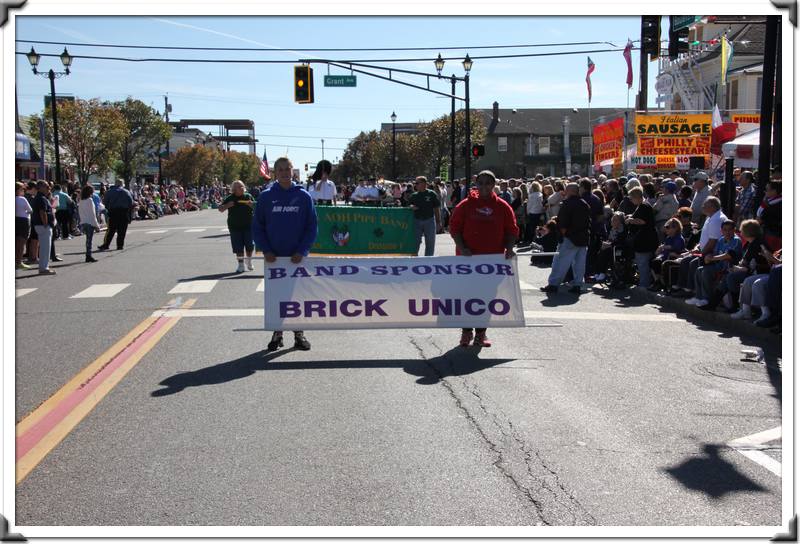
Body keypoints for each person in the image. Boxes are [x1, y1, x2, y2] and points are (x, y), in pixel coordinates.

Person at [252, 157, 318, 352]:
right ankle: (277, 333)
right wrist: (266, 249)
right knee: (277, 297)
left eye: (286, 169)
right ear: (275, 173)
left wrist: (302, 250)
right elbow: (257, 227)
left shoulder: (304, 196)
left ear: (292, 171)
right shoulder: (265, 197)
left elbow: (312, 227)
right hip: (274, 259)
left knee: (297, 298)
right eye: (279, 169)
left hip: (296, 258)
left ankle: (299, 334)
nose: (283, 172)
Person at [449, 170, 518, 348]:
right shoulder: (465, 205)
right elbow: (454, 228)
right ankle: (466, 332)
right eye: (481, 183)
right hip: (467, 262)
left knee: (486, 298)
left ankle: (481, 333)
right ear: (476, 184)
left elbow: (511, 230)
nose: (484, 186)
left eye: (488, 183)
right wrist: (462, 247)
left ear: (494, 185)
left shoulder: (503, 206)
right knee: (466, 298)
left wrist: (509, 248)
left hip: (492, 263)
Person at [540, 183, 590, 294]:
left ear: (571, 191)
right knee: (579, 264)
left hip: (570, 237)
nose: (565, 193)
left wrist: (563, 234)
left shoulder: (567, 204)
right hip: (583, 237)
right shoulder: (584, 204)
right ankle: (577, 285)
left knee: (560, 262)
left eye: (566, 191)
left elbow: (563, 223)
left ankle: (553, 284)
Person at [624, 187, 659, 288]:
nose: (630, 200)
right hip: (647, 239)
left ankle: (644, 286)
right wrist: (631, 216)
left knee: (643, 264)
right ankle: (646, 284)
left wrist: (630, 221)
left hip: (645, 241)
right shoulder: (642, 205)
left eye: (631, 198)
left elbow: (643, 221)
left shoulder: (644, 206)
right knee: (645, 264)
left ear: (637, 197)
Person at [219, 180, 256, 273]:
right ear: (234, 189)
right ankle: (240, 265)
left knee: (250, 246)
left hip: (248, 226)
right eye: (239, 187)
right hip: (234, 227)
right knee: (238, 247)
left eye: (242, 186)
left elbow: (257, 207)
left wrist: (252, 205)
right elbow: (220, 209)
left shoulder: (248, 196)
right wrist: (227, 205)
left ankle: (249, 261)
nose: (241, 188)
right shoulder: (230, 198)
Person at [408, 176, 441, 257]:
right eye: (415, 183)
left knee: (430, 242)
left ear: (424, 184)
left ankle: (428, 260)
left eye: (417, 183)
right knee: (415, 241)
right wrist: (411, 206)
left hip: (429, 220)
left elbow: (436, 208)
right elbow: (408, 205)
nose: (415, 185)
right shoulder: (414, 195)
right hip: (416, 220)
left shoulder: (432, 194)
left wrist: (438, 222)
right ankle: (414, 259)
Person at [98, 179, 134, 251]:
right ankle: (120, 245)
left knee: (111, 230)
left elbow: (105, 202)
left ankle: (106, 244)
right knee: (122, 230)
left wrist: (109, 208)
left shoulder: (109, 192)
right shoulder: (126, 192)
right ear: (122, 184)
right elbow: (131, 202)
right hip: (124, 212)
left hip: (113, 212)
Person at [31, 180, 56, 275]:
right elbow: (43, 212)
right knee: (45, 248)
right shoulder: (41, 198)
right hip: (43, 225)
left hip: (41, 225)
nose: (48, 188)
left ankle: (44, 267)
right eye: (46, 186)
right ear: (40, 188)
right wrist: (46, 224)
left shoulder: (41, 197)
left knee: (45, 248)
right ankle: (44, 268)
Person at [78, 184, 100, 262]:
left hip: (83, 222)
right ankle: (88, 255)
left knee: (88, 239)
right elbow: (92, 214)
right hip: (90, 222)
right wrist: (96, 225)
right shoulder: (90, 200)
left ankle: (88, 254)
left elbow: (80, 212)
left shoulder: (81, 200)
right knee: (89, 240)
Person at [15, 182, 33, 270]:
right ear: (18, 190)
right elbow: (30, 210)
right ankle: (19, 262)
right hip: (23, 221)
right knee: (21, 243)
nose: (23, 191)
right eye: (22, 189)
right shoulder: (22, 199)